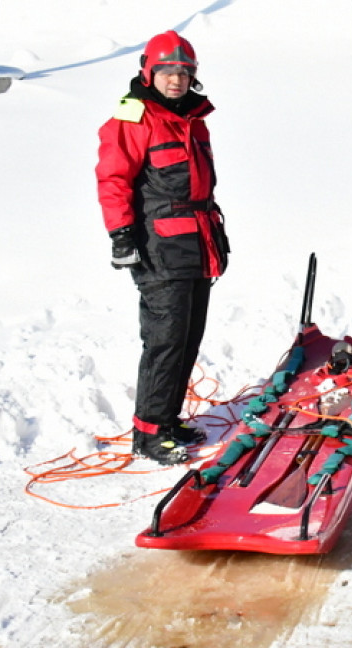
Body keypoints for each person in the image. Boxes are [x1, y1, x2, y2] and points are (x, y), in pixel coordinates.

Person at [96, 30, 230, 466]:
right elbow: (113, 178)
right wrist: (121, 234)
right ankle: (149, 433)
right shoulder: (134, 117)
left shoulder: (192, 118)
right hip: (159, 246)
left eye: (183, 72)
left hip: (197, 240)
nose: (175, 80)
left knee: (188, 336)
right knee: (165, 339)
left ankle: (167, 421)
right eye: (167, 71)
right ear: (147, 72)